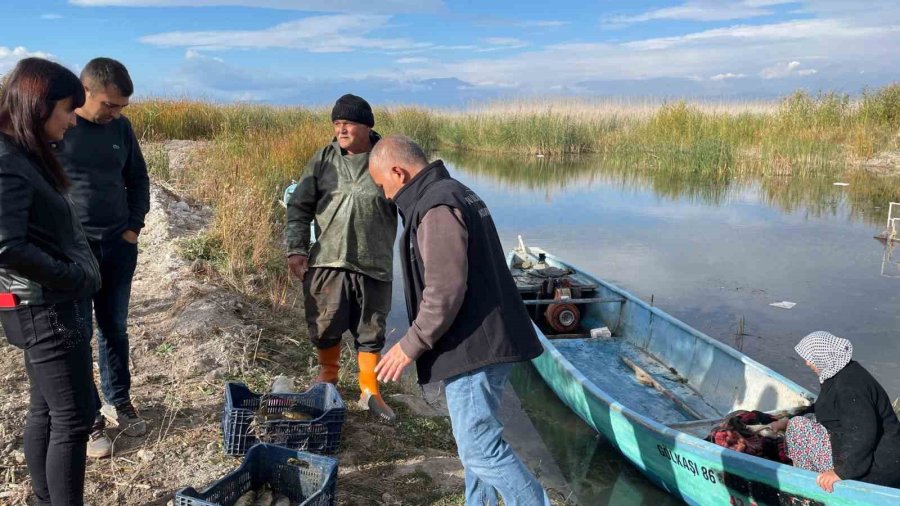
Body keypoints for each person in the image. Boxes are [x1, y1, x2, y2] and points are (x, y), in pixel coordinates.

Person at [368, 136, 550, 505]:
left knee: (481, 449)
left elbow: (445, 290)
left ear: (398, 173)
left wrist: (410, 344)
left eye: (382, 185)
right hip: (485, 342)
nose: (385, 196)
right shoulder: (455, 191)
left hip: (474, 348)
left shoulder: (436, 204)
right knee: (475, 449)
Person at [0, 57, 102, 506]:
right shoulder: (7, 161)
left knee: (47, 408)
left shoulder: (24, 154)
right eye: (65, 109)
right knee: (74, 418)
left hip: (42, 304)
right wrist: (70, 277)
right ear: (36, 106)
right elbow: (6, 246)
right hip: (43, 307)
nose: (71, 121)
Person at [56, 57, 150, 458]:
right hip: (71, 254)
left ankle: (119, 401)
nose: (114, 113)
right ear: (86, 91)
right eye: (109, 105)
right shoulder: (57, 129)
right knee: (77, 334)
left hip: (116, 246)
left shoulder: (121, 130)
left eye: (121, 107)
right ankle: (90, 418)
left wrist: (132, 228)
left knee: (115, 328)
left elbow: (138, 179)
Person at [285, 94, 397, 421]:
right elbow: (298, 207)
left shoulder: (387, 157)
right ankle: (328, 376)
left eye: (347, 123)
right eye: (336, 124)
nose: (341, 129)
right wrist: (296, 249)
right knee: (324, 324)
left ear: (367, 126)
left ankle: (369, 390)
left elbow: (412, 205)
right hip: (328, 259)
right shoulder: (323, 159)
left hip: (373, 261)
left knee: (371, 329)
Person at [768, 331, 900, 492]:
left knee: (798, 428)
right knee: (795, 423)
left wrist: (841, 472)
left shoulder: (849, 386)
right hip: (869, 456)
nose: (807, 363)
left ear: (824, 356)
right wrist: (787, 420)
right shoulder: (840, 372)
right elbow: (823, 407)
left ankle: (808, 485)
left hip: (878, 468)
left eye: (810, 358)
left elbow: (862, 433)